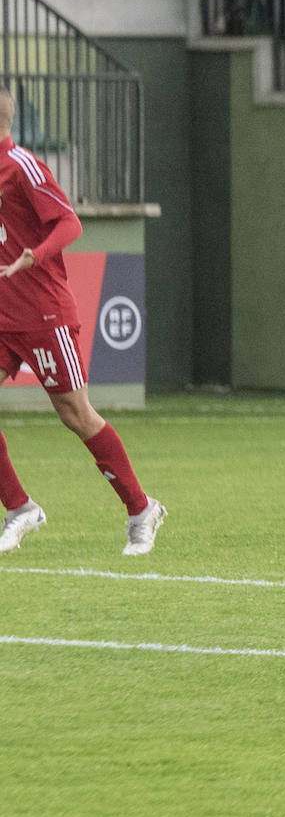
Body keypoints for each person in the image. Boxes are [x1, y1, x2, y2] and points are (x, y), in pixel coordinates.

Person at [0, 86, 166, 556]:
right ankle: (19, 508)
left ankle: (140, 510)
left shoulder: (24, 166)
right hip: (3, 313)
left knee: (75, 414)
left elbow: (70, 223)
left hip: (44, 313)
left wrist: (37, 254)